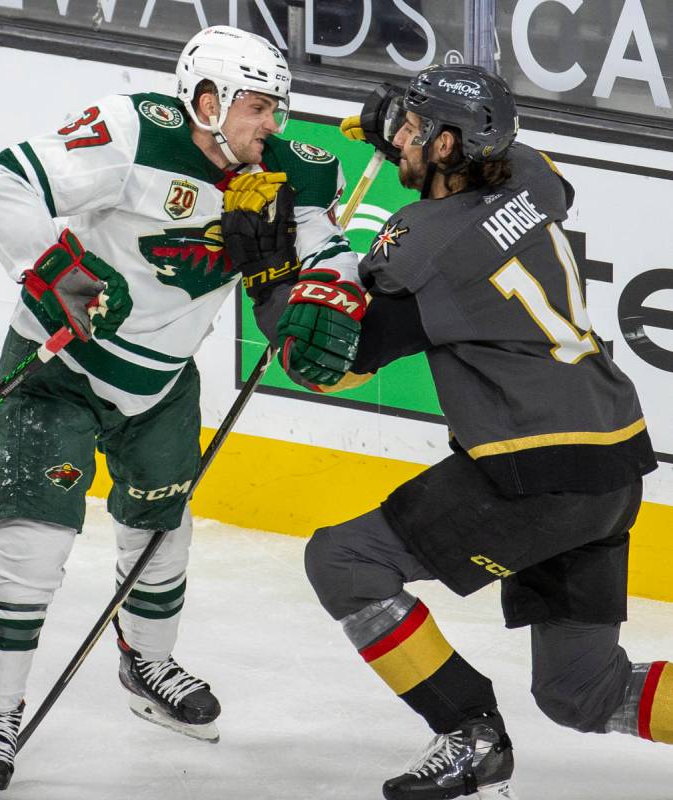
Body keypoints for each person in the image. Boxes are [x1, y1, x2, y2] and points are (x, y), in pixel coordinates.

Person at [0, 24, 362, 795]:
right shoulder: (130, 128)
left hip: (161, 384)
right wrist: (61, 277)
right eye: (256, 107)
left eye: (277, 108)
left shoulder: (294, 171)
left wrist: (314, 284)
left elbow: (327, 256)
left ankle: (145, 661)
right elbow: (3, 187)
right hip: (61, 369)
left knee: (161, 538)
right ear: (205, 100)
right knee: (30, 550)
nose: (271, 124)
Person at [275, 64, 667, 799]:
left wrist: (275, 270)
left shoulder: (424, 245)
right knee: (582, 689)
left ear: (452, 145)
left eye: (415, 129)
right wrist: (401, 141)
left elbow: (328, 358)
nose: (399, 137)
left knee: (345, 562)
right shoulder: (534, 177)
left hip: (534, 471)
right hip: (612, 464)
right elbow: (518, 172)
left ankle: (468, 734)